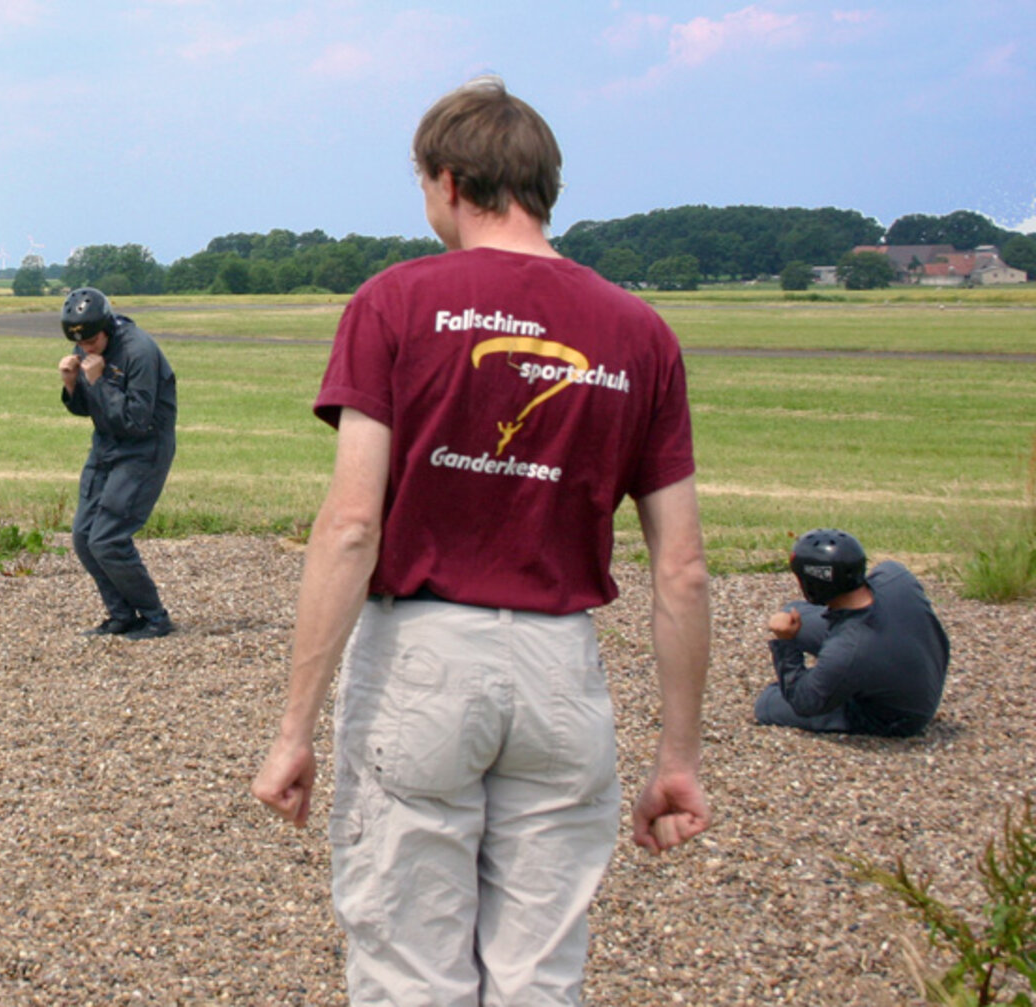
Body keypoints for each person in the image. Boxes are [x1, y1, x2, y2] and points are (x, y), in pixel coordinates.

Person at [249, 76, 711, 1005]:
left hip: (423, 657)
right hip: (560, 669)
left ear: (451, 181)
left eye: (423, 185)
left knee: (409, 967)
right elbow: (684, 569)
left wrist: (293, 727)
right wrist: (679, 755)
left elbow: (349, 526)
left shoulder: (394, 304)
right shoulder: (640, 333)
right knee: (541, 972)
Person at [57, 286, 179, 640]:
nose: (85, 348)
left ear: (106, 326)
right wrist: (71, 386)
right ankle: (122, 615)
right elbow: (87, 408)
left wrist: (98, 381)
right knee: (83, 537)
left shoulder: (139, 352)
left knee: (108, 538)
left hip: (143, 451)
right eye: (78, 342)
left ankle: (155, 617)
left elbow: (137, 421)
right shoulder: (88, 347)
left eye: (91, 340)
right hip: (106, 448)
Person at [756, 528, 949, 736]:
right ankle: (842, 680)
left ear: (812, 584)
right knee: (792, 614)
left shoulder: (849, 650)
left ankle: (842, 687)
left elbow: (805, 702)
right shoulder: (894, 575)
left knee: (768, 703)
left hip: (899, 716)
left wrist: (786, 644)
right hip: (917, 672)